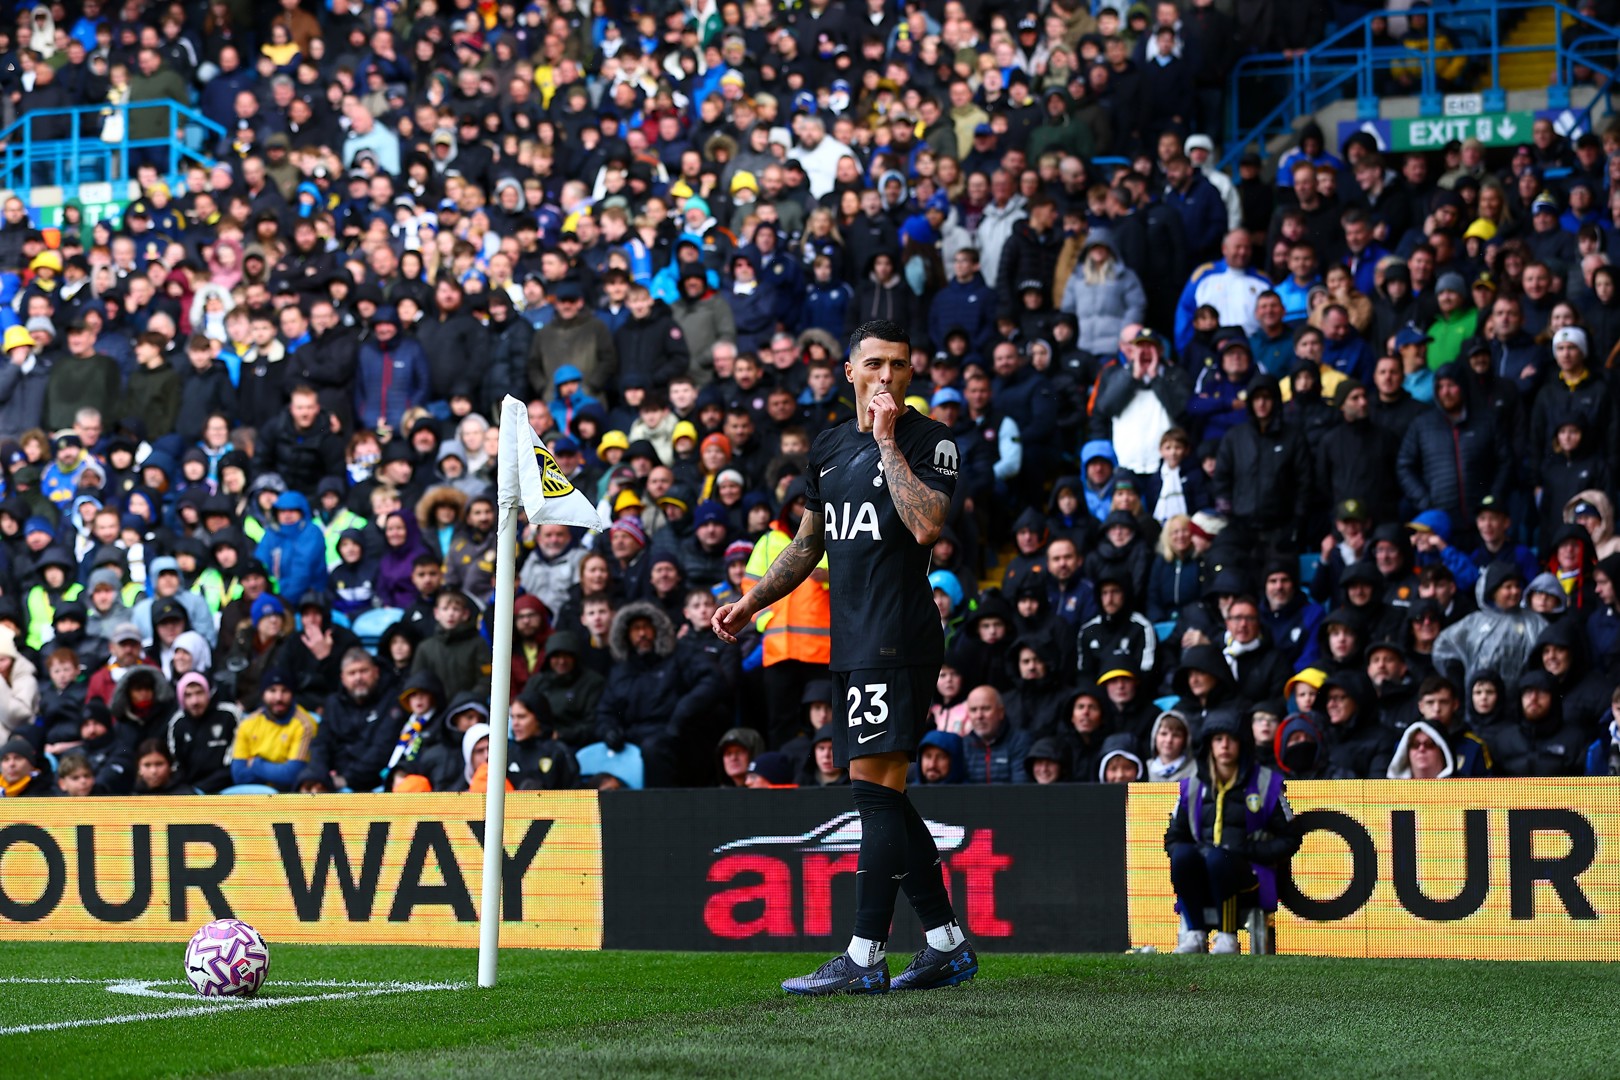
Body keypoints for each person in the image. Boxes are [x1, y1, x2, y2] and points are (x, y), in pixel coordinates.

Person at [713, 319, 976, 994]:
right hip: (851, 641)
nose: (888, 376)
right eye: (876, 364)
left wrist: (888, 439)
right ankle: (944, 941)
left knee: (872, 793)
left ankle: (864, 954)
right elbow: (808, 544)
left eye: (900, 365)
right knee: (882, 795)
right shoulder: (829, 447)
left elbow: (926, 525)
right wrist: (752, 603)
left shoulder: (930, 439)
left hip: (899, 635)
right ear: (851, 373)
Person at [1163, 708, 1301, 955]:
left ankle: (1227, 937)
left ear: (1243, 744)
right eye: (1218, 739)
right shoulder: (1192, 786)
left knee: (1219, 858)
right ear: (1209, 746)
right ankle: (1195, 934)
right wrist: (1199, 851)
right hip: (1203, 878)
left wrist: (1249, 849)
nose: (1224, 745)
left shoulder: (1266, 783)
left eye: (1231, 739)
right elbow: (1173, 838)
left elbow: (1290, 838)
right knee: (1184, 855)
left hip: (1249, 878)